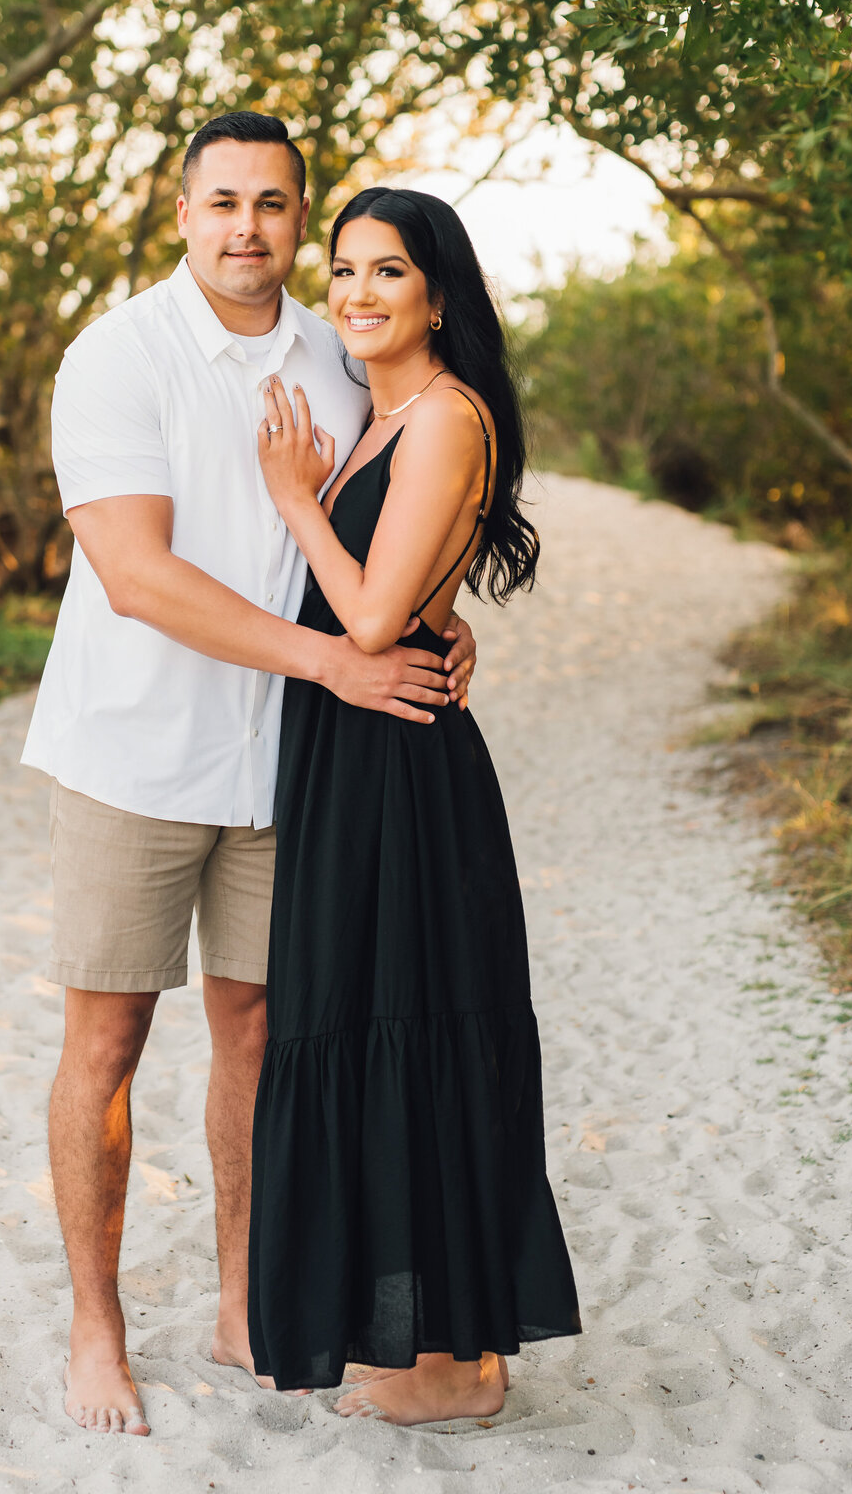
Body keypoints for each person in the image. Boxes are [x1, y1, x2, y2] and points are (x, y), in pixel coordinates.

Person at [20, 114, 480, 1436]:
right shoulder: (117, 357)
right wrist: (334, 663)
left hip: (292, 768)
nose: (248, 227)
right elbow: (137, 572)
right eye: (223, 200)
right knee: (106, 1043)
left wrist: (442, 618)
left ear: (298, 218)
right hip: (134, 752)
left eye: (274, 203)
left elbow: (399, 516)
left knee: (262, 1035)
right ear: (180, 213)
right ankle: (96, 1333)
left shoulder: (344, 359)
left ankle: (239, 1301)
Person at [247, 186, 581, 1424]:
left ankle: (449, 1368)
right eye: (343, 271)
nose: (357, 294)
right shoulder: (390, 419)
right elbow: (410, 596)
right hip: (362, 744)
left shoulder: (441, 417)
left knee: (404, 1025)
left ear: (440, 294)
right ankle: (444, 1346)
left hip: (398, 763)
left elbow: (375, 617)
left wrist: (293, 500)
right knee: (384, 1019)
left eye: (388, 272)